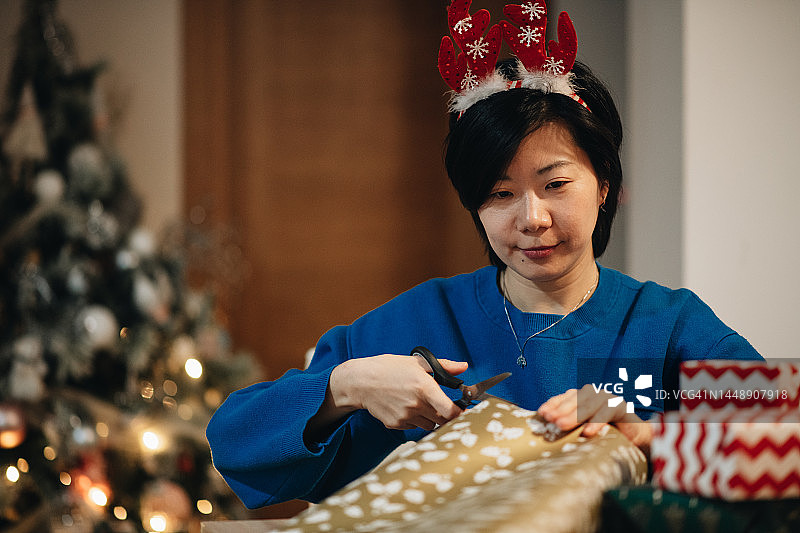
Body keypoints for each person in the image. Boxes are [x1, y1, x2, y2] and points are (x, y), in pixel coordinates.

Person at [206, 4, 762, 510]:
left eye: (556, 184)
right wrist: (344, 387)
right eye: (500, 194)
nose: (532, 219)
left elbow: (779, 439)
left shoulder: (667, 326)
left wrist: (651, 437)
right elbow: (234, 441)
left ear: (605, 186)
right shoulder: (419, 319)